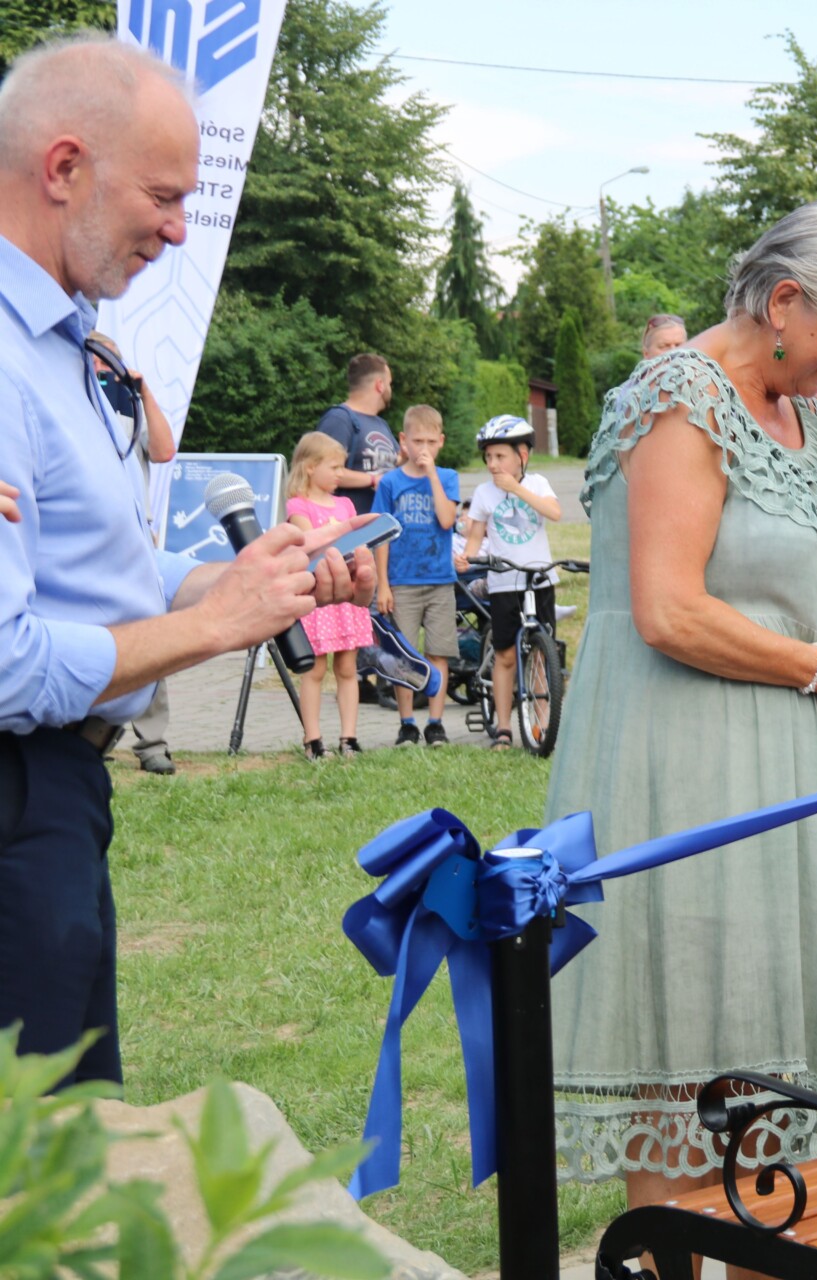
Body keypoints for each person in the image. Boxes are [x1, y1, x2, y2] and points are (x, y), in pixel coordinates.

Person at [546, 200, 817, 1221]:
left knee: (780, 1076)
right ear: (784, 300)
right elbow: (668, 607)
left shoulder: (800, 409)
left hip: (803, 776)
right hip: (695, 772)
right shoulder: (681, 397)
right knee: (699, 1063)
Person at [0, 34, 373, 1087]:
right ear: (64, 168)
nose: (178, 228)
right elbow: (7, 660)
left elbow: (109, 580)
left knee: (71, 1150)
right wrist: (214, 627)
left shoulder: (71, 341)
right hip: (17, 789)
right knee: (30, 1181)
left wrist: (251, 581)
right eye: (163, 195)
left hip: (59, 795)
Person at [90, 330, 178, 774]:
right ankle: (89, 732)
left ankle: (153, 743)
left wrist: (141, 391)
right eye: (95, 362)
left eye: (110, 364)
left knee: (149, 636)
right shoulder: (66, 397)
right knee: (92, 637)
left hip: (136, 538)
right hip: (84, 541)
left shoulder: (130, 402)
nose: (101, 371)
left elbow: (163, 451)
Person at [460, 416, 564, 749]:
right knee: (504, 654)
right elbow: (476, 532)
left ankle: (542, 723)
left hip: (539, 578)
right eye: (488, 457)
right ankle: (504, 728)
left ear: (523, 455)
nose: (493, 464)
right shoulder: (483, 493)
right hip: (505, 583)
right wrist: (469, 555)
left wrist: (516, 489)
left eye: (500, 456)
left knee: (541, 654)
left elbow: (555, 513)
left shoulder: (537, 483)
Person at [372, 405, 460, 746]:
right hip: (402, 580)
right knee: (404, 655)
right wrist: (383, 584)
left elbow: (446, 520)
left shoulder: (447, 477)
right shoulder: (390, 483)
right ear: (403, 441)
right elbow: (380, 535)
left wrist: (433, 475)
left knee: (439, 652)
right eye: (417, 441)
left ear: (441, 442)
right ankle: (407, 722)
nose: (423, 448)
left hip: (439, 579)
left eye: (430, 441)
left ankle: (435, 723)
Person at [287, 433, 373, 759]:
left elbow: (358, 541)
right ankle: (313, 739)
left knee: (348, 670)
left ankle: (348, 737)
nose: (340, 474)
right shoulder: (298, 505)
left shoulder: (345, 504)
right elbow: (309, 543)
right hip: (317, 598)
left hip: (346, 597)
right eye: (334, 467)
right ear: (310, 467)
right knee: (315, 670)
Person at [315, 353, 399, 517]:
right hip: (350, 528)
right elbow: (322, 471)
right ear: (380, 385)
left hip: (382, 528)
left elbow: (393, 464)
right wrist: (374, 480)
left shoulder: (381, 424)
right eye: (389, 384)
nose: (390, 389)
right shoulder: (339, 419)